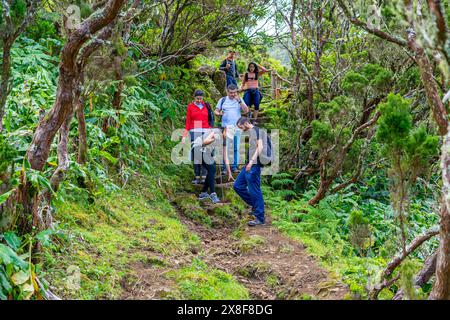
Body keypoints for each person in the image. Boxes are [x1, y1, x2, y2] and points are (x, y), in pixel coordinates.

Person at [233, 117, 267, 226]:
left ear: (247, 123)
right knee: (238, 186)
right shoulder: (252, 132)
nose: (242, 130)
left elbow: (260, 147)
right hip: (249, 165)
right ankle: (256, 205)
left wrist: (251, 162)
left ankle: (259, 217)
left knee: (254, 190)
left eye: (241, 127)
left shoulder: (256, 130)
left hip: (254, 165)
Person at [215, 84, 249, 175]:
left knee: (236, 148)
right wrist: (219, 113)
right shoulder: (222, 100)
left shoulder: (239, 99)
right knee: (225, 148)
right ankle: (224, 168)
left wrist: (239, 102)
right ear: (227, 91)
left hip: (237, 128)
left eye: (234, 92)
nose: (233, 94)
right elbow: (216, 111)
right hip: (226, 128)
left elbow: (246, 111)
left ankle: (234, 167)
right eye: (231, 93)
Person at [182, 90, 214, 185]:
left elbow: (211, 119)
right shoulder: (190, 106)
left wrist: (211, 131)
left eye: (201, 98)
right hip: (194, 131)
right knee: (196, 155)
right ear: (194, 97)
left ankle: (204, 177)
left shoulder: (207, 105)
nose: (199, 100)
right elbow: (188, 122)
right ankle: (197, 177)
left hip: (205, 131)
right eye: (197, 98)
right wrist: (184, 136)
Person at [192, 129, 221, 204]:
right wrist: (214, 138)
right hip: (198, 148)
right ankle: (212, 193)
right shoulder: (217, 132)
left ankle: (203, 192)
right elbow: (204, 142)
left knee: (212, 169)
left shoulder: (221, 138)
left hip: (203, 151)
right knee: (212, 169)